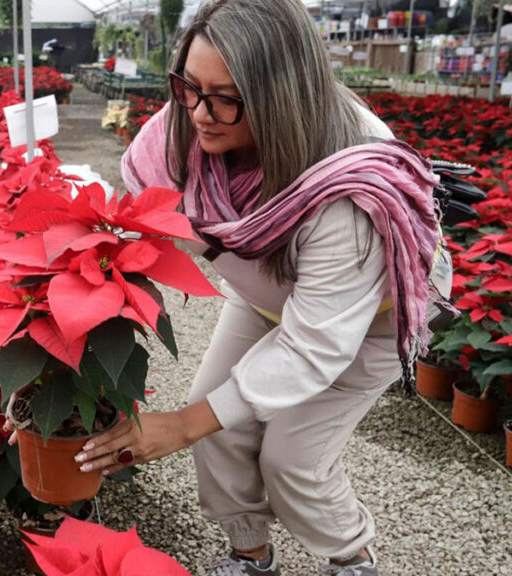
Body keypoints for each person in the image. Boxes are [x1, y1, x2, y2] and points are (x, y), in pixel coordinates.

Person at [72, 1, 451, 575]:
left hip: (366, 319)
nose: (199, 114)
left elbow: (314, 343)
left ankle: (351, 556)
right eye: (188, 86)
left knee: (292, 457)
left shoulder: (350, 191)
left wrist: (179, 424)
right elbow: (142, 205)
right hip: (269, 295)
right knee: (219, 420)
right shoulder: (187, 127)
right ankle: (249, 555)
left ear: (283, 94)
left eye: (226, 96)